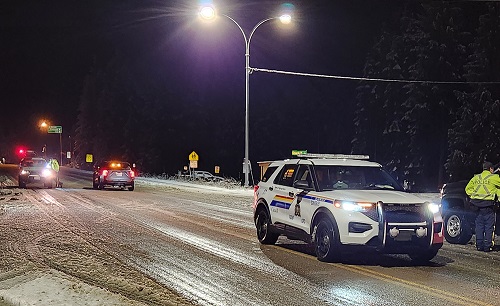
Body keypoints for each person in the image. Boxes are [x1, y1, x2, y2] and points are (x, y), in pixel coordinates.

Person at [465, 161, 499, 252]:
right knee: (489, 226)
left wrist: (474, 196)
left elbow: (467, 189)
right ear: (491, 169)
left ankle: (479, 246)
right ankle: (487, 246)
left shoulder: (476, 177)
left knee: (479, 226)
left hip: (476, 206)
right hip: (488, 206)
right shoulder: (494, 177)